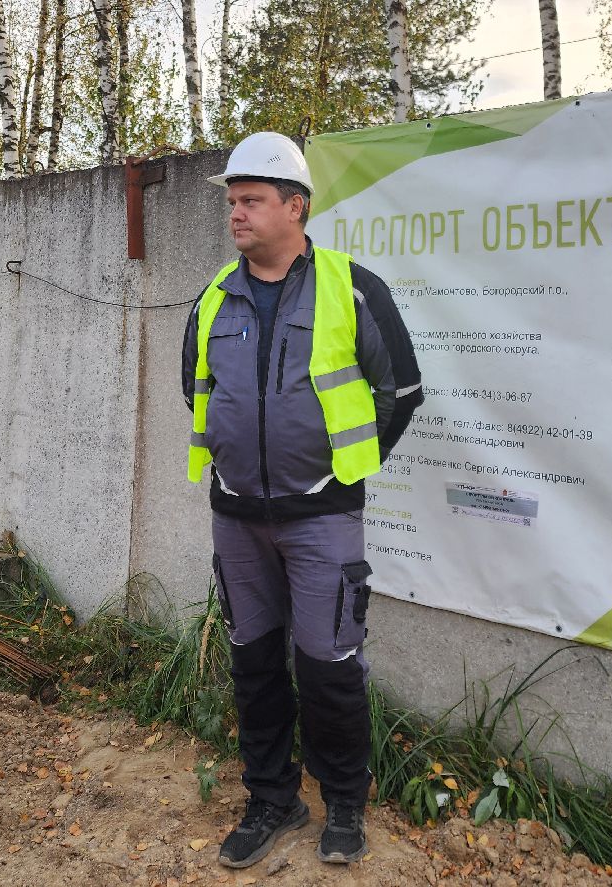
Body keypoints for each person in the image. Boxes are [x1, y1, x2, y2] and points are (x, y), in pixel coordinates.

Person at [181, 131, 422, 868]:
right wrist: (232, 463)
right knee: (253, 663)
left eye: (251, 201)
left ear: (296, 207)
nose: (237, 215)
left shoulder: (353, 288)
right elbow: (198, 392)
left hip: (322, 517)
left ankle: (345, 801)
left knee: (329, 667)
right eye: (232, 202)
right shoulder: (215, 295)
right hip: (237, 518)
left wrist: (347, 471)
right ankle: (271, 798)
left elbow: (403, 392)